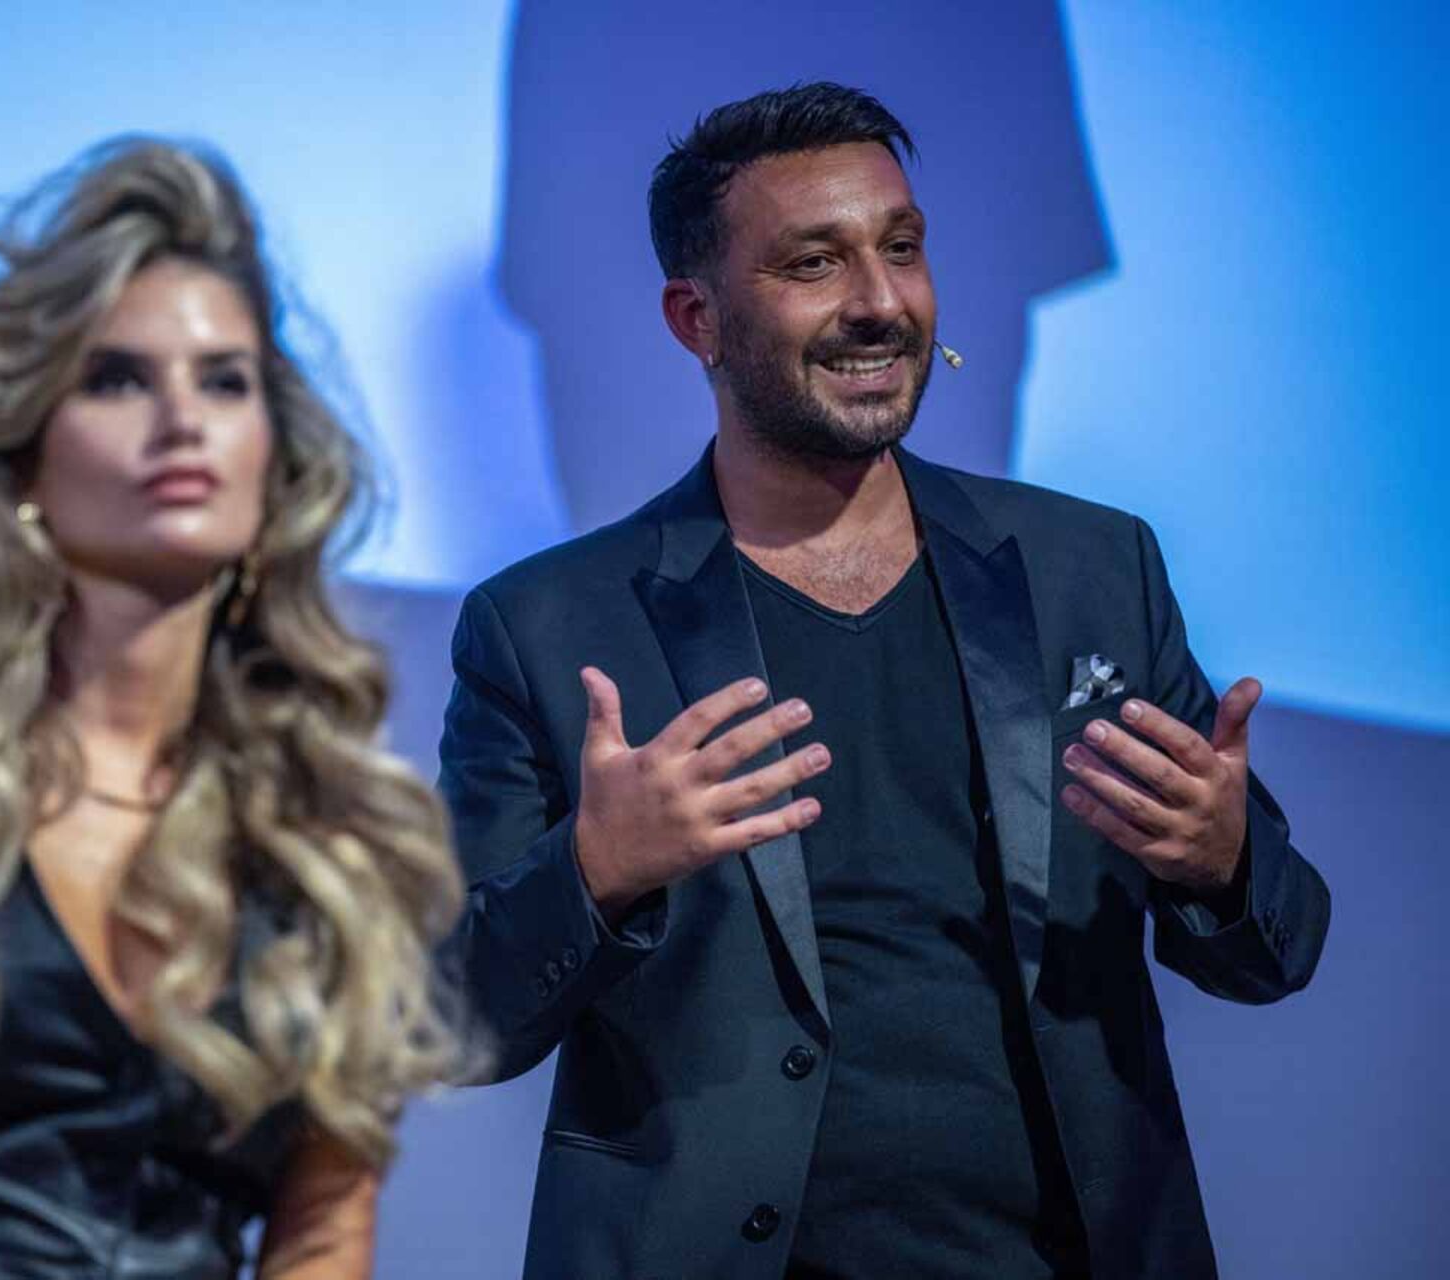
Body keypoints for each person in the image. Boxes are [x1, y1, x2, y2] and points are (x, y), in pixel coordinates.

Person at [440, 82, 1329, 1279]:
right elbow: (455, 1022)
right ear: (697, 319)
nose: (880, 302)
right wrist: (595, 873)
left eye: (901, 249)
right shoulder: (547, 625)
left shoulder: (1090, 568)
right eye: (814, 263)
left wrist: (1222, 860)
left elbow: (1275, 951)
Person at [0, 137, 466, 1280]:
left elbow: (325, 1221)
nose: (182, 418)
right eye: (116, 377)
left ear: (273, 458)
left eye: (225, 380)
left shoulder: (327, 816)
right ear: (22, 458)